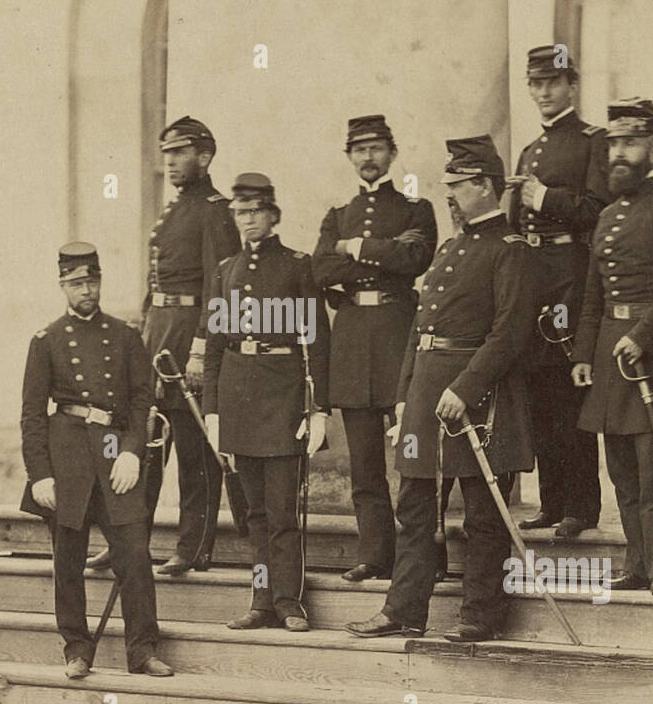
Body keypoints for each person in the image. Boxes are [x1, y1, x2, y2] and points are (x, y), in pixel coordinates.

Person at [346, 136, 538, 641]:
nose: (448, 194)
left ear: (485, 186)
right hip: (428, 396)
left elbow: (510, 332)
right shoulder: (452, 247)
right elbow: (420, 328)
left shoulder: (509, 250)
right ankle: (403, 610)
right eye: (447, 185)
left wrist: (466, 388)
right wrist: (408, 394)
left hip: (479, 401)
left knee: (482, 513)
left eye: (457, 185)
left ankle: (480, 615)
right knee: (413, 506)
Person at [20, 244, 172, 681]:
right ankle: (76, 649)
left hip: (114, 455)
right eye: (76, 283)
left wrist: (131, 451)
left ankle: (142, 650)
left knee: (135, 555)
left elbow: (142, 401)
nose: (86, 290)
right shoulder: (46, 341)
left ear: (100, 282)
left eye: (92, 281)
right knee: (67, 560)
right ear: (63, 286)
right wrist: (40, 475)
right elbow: (32, 415)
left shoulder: (125, 337)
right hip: (66, 458)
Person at [571, 99, 653, 597]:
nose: (618, 154)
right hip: (609, 353)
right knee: (621, 467)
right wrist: (584, 353)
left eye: (629, 143)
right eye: (613, 145)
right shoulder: (606, 217)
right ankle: (638, 561)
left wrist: (642, 338)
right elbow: (592, 294)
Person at [312, 114, 437, 582]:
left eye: (376, 148)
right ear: (349, 157)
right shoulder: (335, 216)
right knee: (364, 465)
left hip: (400, 336)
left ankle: (418, 555)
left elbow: (416, 257)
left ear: (392, 153)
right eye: (359, 149)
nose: (368, 156)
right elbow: (321, 271)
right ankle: (374, 554)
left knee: (413, 458)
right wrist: (380, 251)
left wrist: (353, 247)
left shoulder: (415, 209)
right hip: (353, 344)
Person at [202, 175, 330, 632]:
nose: (248, 219)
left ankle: (288, 600)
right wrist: (212, 410)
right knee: (253, 514)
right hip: (238, 398)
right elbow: (215, 346)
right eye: (240, 211)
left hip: (283, 397)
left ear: (273, 214)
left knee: (281, 511)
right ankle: (260, 600)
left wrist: (318, 409)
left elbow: (316, 339)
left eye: (256, 210)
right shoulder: (224, 271)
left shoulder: (297, 265)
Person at [512, 46, 609, 539]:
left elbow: (599, 207)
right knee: (539, 394)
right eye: (536, 83)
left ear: (572, 85)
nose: (544, 92)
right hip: (533, 278)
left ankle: (581, 505)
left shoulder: (594, 141)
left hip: (571, 275)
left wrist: (544, 197)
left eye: (553, 82)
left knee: (570, 391)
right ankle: (551, 501)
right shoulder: (531, 149)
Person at [140, 116, 241, 575]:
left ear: (205, 156)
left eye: (180, 153)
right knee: (144, 446)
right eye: (167, 154)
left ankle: (193, 546)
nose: (172, 162)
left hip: (189, 342)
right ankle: (130, 539)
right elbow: (154, 286)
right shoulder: (174, 210)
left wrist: (203, 348)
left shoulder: (215, 210)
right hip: (159, 337)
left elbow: (221, 288)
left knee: (195, 452)